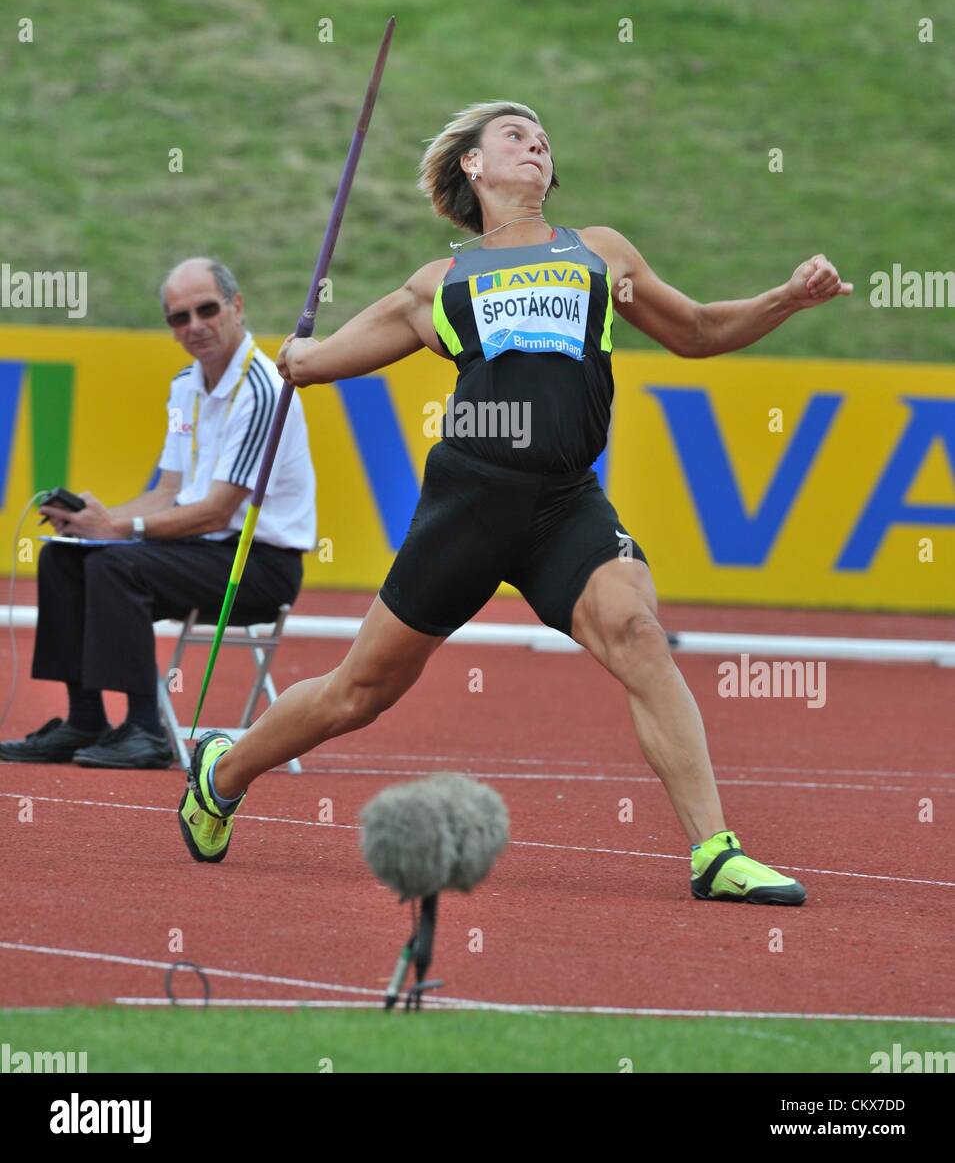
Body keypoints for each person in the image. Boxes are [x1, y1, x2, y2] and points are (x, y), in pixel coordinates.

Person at [178, 103, 851, 902]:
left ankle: (715, 853)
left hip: (565, 504)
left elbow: (697, 330)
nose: (534, 144)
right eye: (514, 135)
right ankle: (225, 769)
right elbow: (317, 362)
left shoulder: (598, 254)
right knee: (360, 693)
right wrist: (296, 355)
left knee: (637, 631)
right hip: (469, 505)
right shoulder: (440, 283)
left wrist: (784, 299)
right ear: (472, 165)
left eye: (541, 139)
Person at [1, 258, 316, 771]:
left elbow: (216, 512)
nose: (194, 326)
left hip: (258, 567)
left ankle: (146, 729)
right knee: (67, 554)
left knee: (115, 563)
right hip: (203, 552)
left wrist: (118, 529)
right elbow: (169, 490)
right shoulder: (185, 385)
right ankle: (84, 719)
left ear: (236, 306)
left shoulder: (261, 390)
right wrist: (93, 522)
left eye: (206, 309)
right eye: (178, 317)